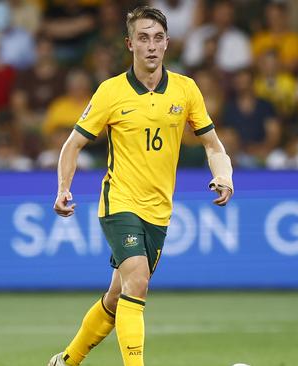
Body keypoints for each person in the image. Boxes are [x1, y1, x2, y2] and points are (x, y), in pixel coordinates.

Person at [49, 6, 233, 366]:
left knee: (118, 297)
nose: (151, 46)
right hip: (120, 200)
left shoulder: (186, 90)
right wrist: (63, 188)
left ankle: (67, 361)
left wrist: (224, 175)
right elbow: (72, 145)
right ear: (129, 44)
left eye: (158, 38)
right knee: (138, 281)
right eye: (144, 38)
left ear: (168, 43)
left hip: (159, 209)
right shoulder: (111, 92)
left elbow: (213, 145)